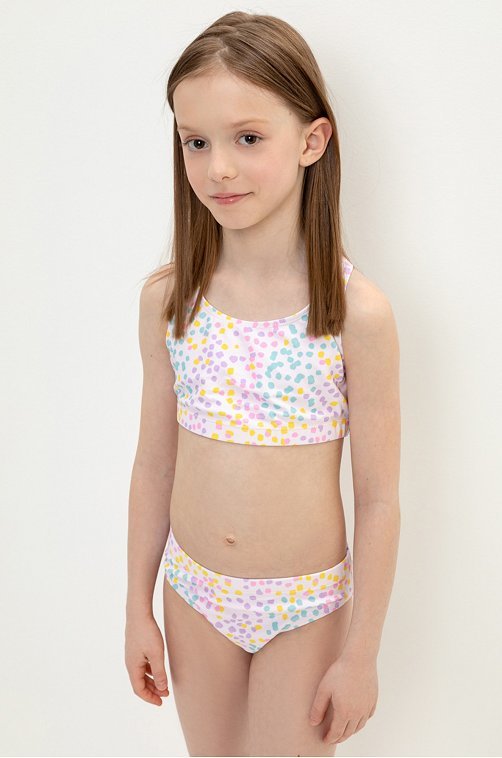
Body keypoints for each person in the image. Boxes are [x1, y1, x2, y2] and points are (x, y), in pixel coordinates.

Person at [125, 10, 401, 757]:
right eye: (196, 141)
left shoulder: (356, 315)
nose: (218, 167)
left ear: (312, 141)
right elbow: (154, 463)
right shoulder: (170, 302)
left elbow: (378, 498)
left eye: (248, 138)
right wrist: (137, 606)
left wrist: (362, 654)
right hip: (194, 595)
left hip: (303, 606)